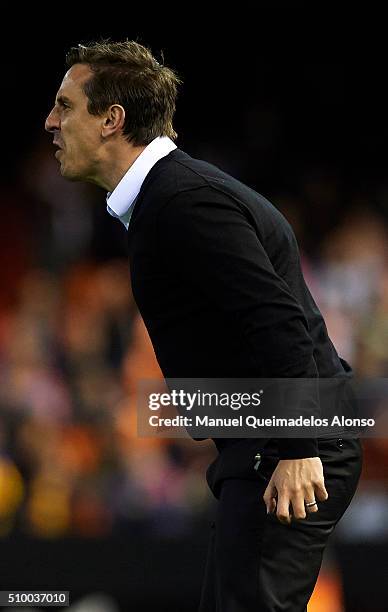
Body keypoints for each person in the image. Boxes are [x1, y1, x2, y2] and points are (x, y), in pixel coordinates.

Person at [45, 40, 362, 611]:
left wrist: (296, 447)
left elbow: (277, 320)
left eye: (65, 105)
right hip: (269, 447)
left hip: (291, 449)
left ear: (112, 120)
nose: (50, 121)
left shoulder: (185, 201)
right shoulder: (168, 198)